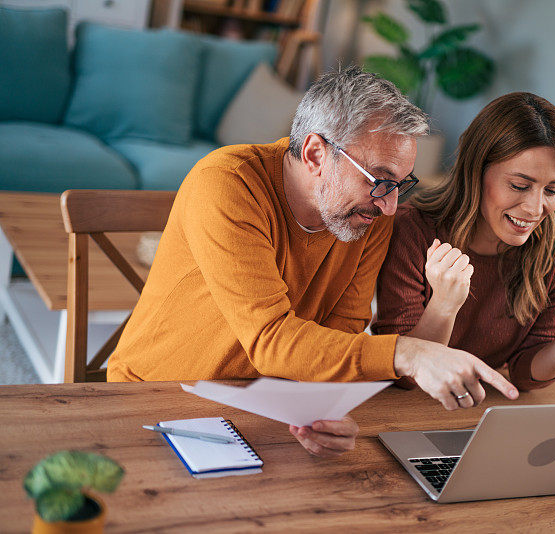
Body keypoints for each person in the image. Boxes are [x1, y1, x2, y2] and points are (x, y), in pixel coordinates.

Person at [107, 66, 519, 458]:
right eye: (379, 180)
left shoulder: (366, 217)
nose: (391, 206)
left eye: (400, 185)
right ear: (316, 153)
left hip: (264, 407)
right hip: (155, 398)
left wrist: (324, 412)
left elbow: (342, 330)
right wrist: (406, 352)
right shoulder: (226, 183)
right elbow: (270, 339)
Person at [372, 92, 555, 395]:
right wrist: (443, 306)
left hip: (484, 405)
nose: (535, 209)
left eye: (551, 190)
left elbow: (525, 375)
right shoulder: (410, 231)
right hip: (406, 405)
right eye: (519, 186)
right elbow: (405, 375)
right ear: (476, 172)